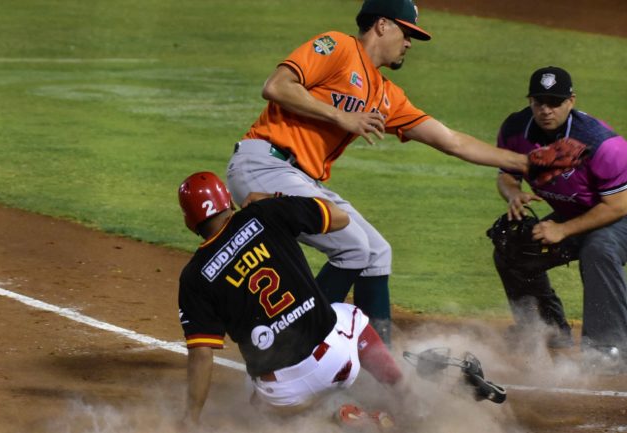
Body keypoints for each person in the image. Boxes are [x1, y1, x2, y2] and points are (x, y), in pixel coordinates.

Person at [226, 0, 529, 344]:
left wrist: (523, 163)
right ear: (382, 25)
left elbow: (452, 141)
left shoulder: (387, 95)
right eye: (408, 32)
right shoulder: (338, 46)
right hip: (264, 164)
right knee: (352, 245)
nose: (410, 42)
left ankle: (379, 363)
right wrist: (341, 116)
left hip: (299, 179)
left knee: (376, 251)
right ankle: (296, 343)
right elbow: (277, 86)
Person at [176, 171, 405, 428]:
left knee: (256, 396)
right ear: (228, 201)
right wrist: (274, 198)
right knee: (348, 313)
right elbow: (340, 219)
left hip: (282, 393)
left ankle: (330, 414)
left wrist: (190, 418)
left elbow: (201, 354)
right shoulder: (264, 212)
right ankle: (403, 393)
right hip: (336, 360)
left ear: (189, 222)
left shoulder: (193, 278)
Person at [493, 66, 627, 357]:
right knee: (514, 246)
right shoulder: (516, 129)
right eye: (539, 101)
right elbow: (506, 174)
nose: (546, 110)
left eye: (555, 103)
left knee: (599, 249)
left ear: (571, 101)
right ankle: (547, 330)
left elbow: (618, 205)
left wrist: (563, 230)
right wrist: (513, 193)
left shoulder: (602, 143)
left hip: (619, 213)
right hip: (577, 212)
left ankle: (608, 348)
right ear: (529, 101)